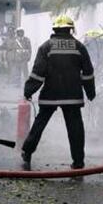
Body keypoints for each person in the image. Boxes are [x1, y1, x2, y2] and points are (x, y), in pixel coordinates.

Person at [21, 14, 96, 170]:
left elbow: (38, 73)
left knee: (39, 123)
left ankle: (27, 152)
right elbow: (88, 72)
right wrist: (90, 92)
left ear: (54, 29)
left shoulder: (46, 47)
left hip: (51, 94)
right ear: (71, 29)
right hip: (72, 96)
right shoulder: (79, 47)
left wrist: (29, 90)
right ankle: (78, 162)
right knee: (75, 128)